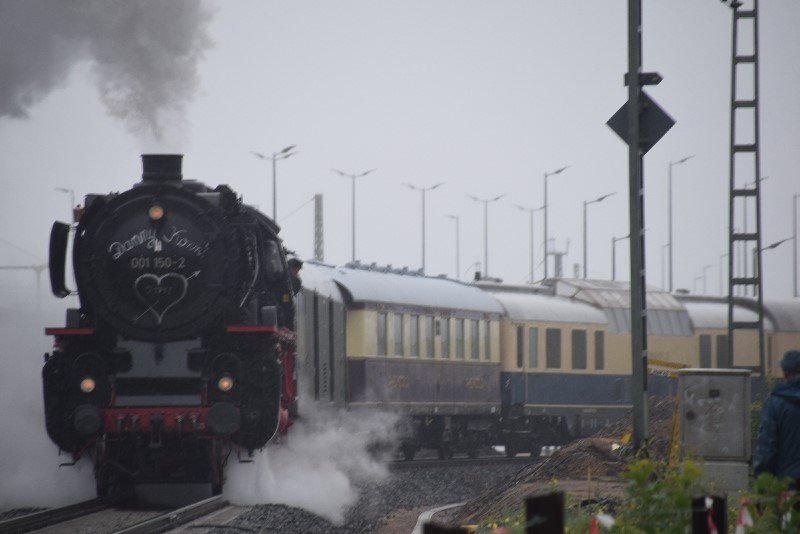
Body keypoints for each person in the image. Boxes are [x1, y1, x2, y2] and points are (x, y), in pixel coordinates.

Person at [753, 349, 800, 488]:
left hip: (788, 483)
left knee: (788, 510)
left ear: (785, 373)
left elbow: (767, 448)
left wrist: (761, 481)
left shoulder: (776, 403)